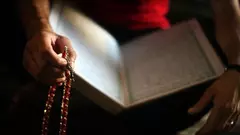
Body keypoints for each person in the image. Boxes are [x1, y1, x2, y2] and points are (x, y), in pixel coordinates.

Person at [16, 0, 240, 135]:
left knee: (207, 87)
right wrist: (39, 29)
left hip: (153, 39)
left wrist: (237, 70)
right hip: (78, 28)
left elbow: (229, 13)